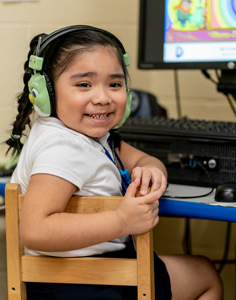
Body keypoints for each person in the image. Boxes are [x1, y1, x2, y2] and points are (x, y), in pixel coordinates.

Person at [6, 25, 223, 300]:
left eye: (115, 84)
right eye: (84, 84)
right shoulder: (63, 148)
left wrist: (151, 169)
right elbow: (36, 230)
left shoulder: (85, 135)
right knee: (205, 275)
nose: (103, 97)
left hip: (66, 281)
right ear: (46, 92)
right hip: (86, 285)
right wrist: (121, 220)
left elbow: (143, 159)